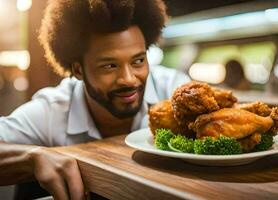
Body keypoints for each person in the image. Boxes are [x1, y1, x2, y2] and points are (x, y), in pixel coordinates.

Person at [0, 0, 190, 199]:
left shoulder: (173, 90)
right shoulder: (53, 109)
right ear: (78, 70)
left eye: (138, 61)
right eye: (109, 66)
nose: (128, 79)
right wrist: (31, 158)